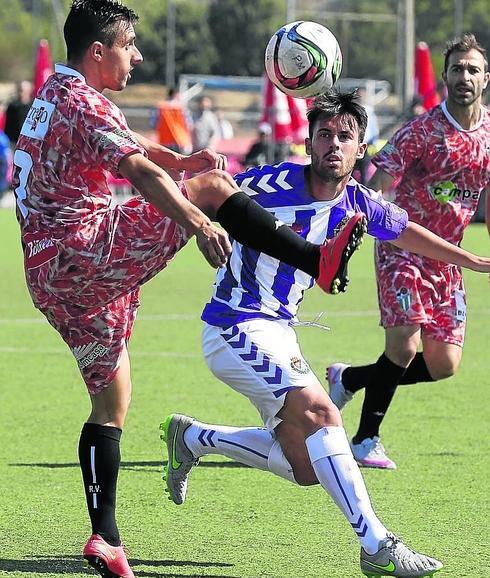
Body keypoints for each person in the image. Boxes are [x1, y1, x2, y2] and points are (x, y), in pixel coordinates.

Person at [12, 2, 367, 577]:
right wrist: (197, 215)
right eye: (130, 46)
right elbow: (138, 171)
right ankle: (315, 261)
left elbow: (136, 150)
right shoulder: (82, 99)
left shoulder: (58, 93)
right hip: (82, 252)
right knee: (206, 189)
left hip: (51, 276)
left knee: (112, 398)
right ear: (99, 52)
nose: (139, 55)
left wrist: (182, 159)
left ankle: (105, 538)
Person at [160, 90, 490, 577]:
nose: (333, 144)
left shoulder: (361, 202)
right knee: (322, 413)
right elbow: (211, 191)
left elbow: (410, 233)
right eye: (325, 135)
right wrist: (193, 225)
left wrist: (473, 260)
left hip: (279, 330)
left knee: (307, 467)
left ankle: (194, 438)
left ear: (360, 150)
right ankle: (378, 545)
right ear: (310, 143)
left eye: (345, 137)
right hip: (234, 324)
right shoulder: (269, 182)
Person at [327, 33, 490, 470]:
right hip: (402, 248)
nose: (464, 76)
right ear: (445, 76)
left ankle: (350, 378)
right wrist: (366, 219)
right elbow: (381, 179)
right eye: (457, 68)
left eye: (472, 69)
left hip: (448, 257)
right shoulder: (423, 130)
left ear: (486, 78)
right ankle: (364, 440)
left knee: (444, 364)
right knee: (403, 345)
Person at [153, 86, 192, 154]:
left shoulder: (161, 106)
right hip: (180, 138)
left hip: (165, 139)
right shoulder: (181, 107)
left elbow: (153, 123)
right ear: (176, 94)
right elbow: (189, 123)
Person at [353, 87, 379, 184]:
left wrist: (374, 142)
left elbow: (373, 127)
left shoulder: (369, 110)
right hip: (353, 144)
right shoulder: (352, 109)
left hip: (365, 145)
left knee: (364, 172)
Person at [4, 80, 33, 147]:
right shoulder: (12, 106)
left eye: (23, 90)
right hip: (14, 141)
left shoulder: (34, 105)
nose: (21, 93)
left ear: (29, 91)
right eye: (20, 90)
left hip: (29, 142)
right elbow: (8, 125)